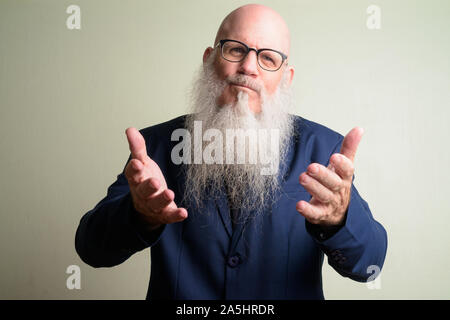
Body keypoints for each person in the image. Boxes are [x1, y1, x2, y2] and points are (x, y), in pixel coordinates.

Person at [75, 4, 387, 299]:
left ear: (286, 78)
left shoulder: (323, 150)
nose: (249, 67)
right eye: (236, 49)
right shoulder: (154, 148)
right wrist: (138, 214)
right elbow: (91, 249)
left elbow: (368, 265)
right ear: (209, 58)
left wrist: (338, 219)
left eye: (268, 58)